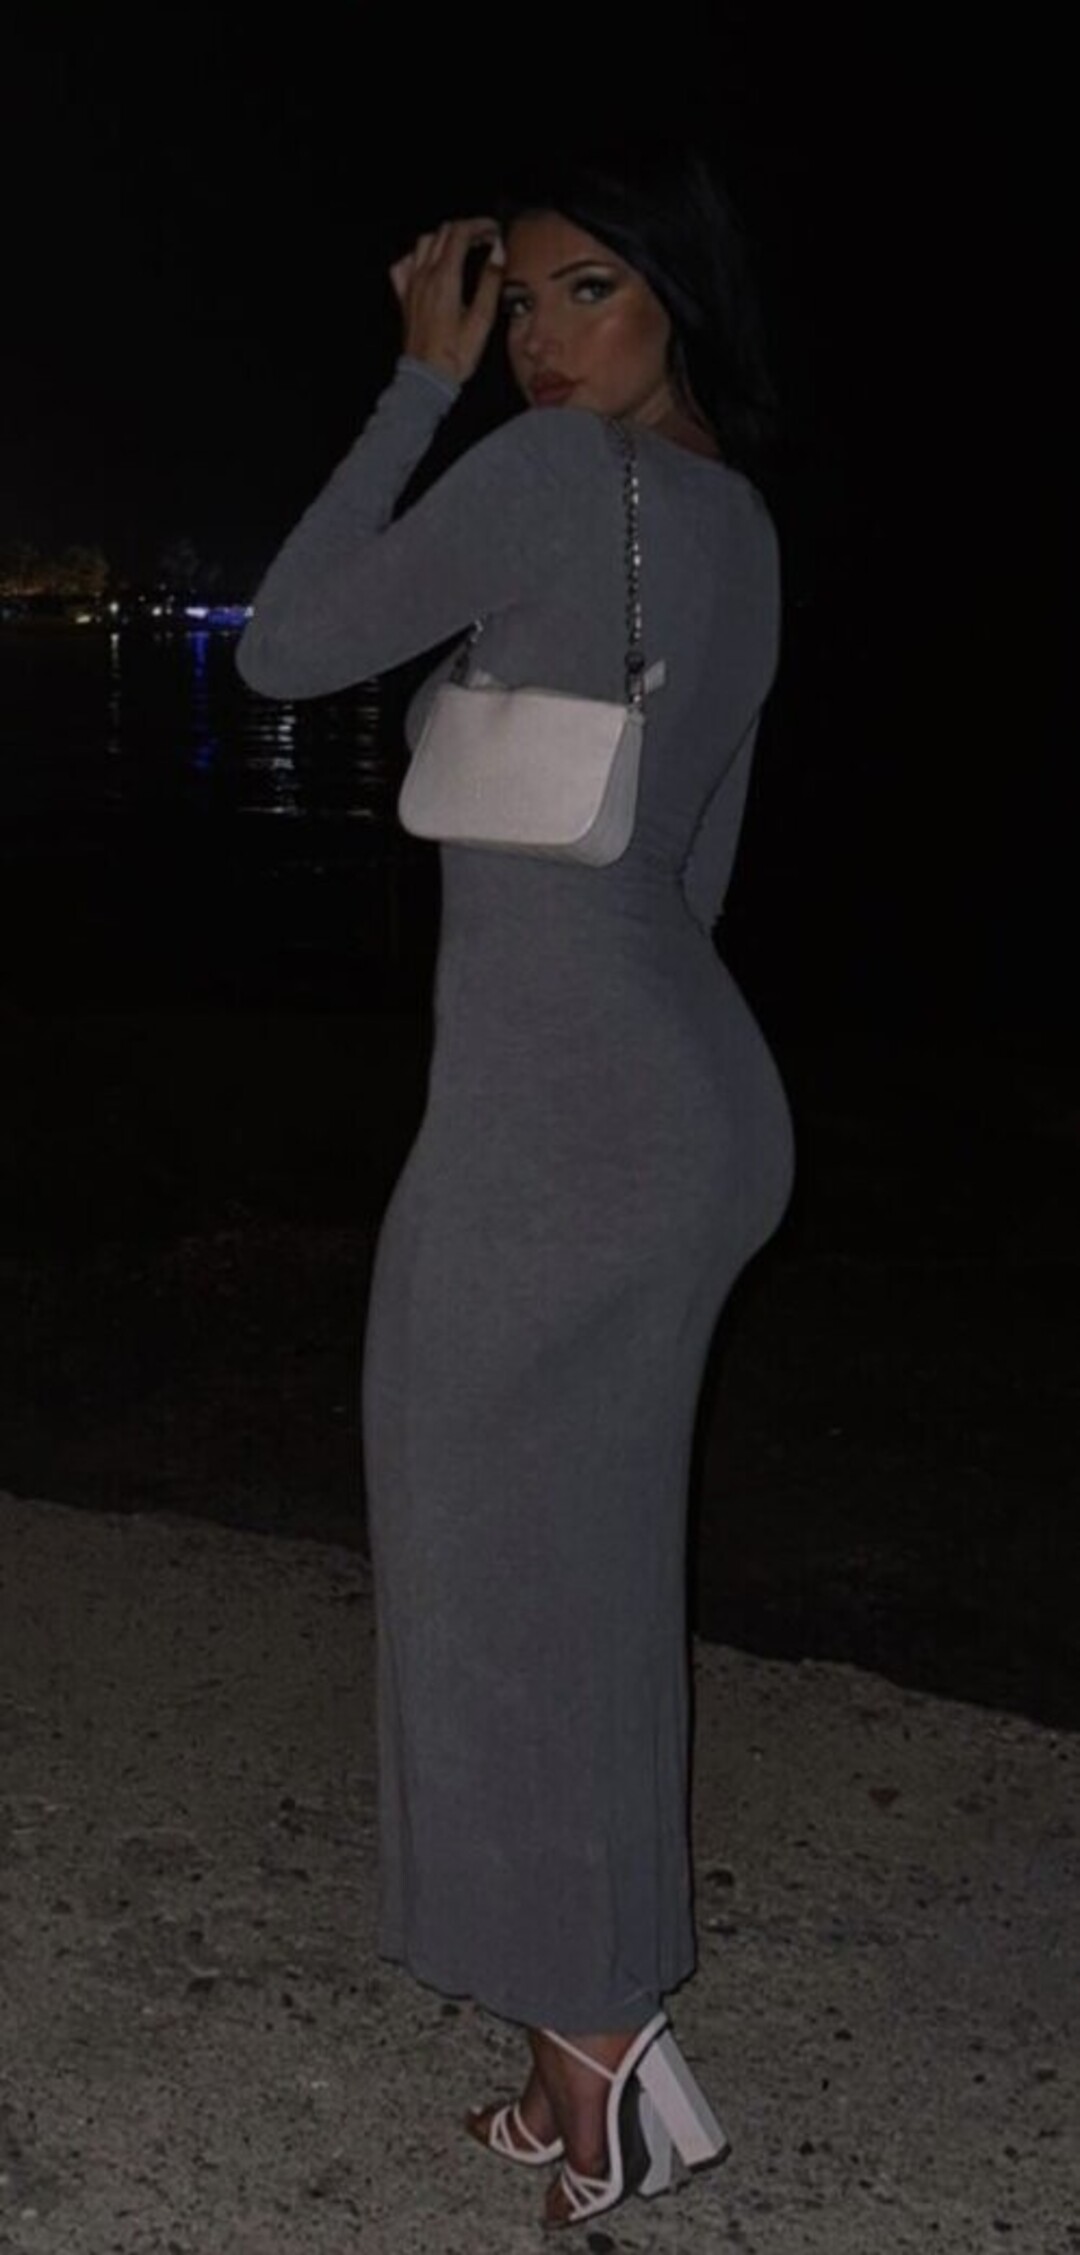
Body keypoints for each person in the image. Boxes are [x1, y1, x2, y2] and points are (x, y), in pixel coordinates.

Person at [236, 146, 795, 2233]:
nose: (541, 342)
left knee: (487, 1584)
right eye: (519, 301)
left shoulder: (556, 479)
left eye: (587, 293)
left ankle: (600, 2049)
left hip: (555, 1128)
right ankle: (596, 2052)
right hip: (700, 1107)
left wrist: (416, 379)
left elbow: (285, 648)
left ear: (677, 300)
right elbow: (696, 865)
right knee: (590, 1576)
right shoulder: (739, 525)